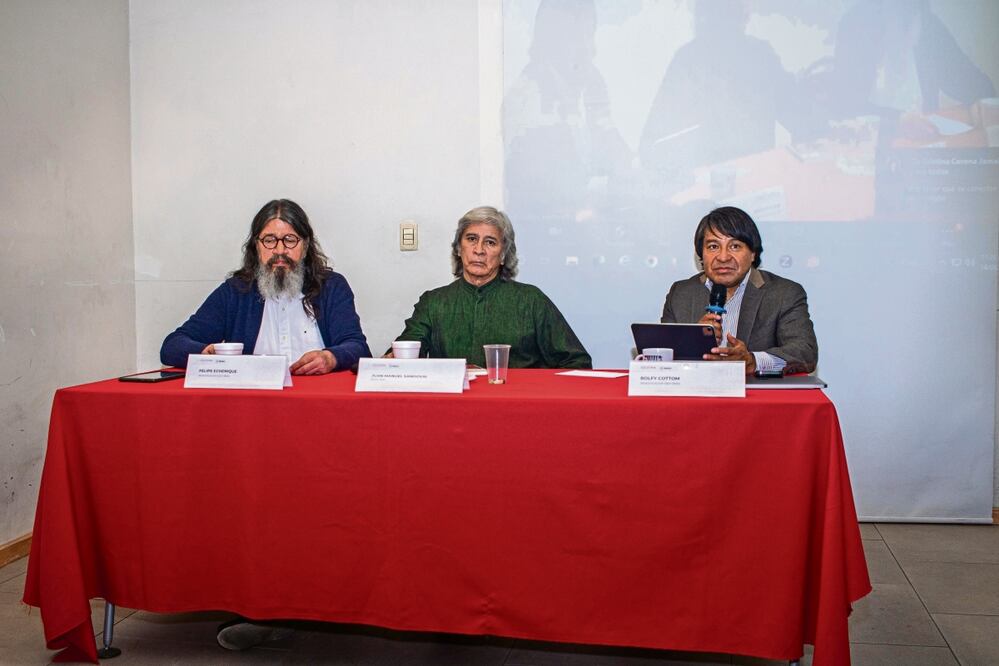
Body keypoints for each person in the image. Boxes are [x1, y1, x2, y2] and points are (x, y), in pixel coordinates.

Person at [161, 199, 370, 374]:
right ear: (257, 245)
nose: (280, 250)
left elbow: (357, 347)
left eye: (290, 240)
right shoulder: (236, 291)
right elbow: (172, 345)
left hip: (319, 402)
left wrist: (330, 358)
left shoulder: (331, 287)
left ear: (305, 246)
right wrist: (208, 353)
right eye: (269, 240)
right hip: (254, 405)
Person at [391, 206, 592, 369]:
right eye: (471, 239)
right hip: (452, 410)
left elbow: (577, 363)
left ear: (503, 255)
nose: (479, 250)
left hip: (515, 410)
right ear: (459, 249)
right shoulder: (434, 302)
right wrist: (390, 361)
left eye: (490, 242)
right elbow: (405, 350)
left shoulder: (531, 300)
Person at [661, 206, 817, 375]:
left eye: (735, 246)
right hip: (695, 395)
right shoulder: (682, 293)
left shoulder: (784, 293)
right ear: (701, 254)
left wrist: (753, 361)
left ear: (753, 254)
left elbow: (805, 353)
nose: (723, 257)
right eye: (713, 246)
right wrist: (692, 341)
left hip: (755, 399)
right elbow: (659, 353)